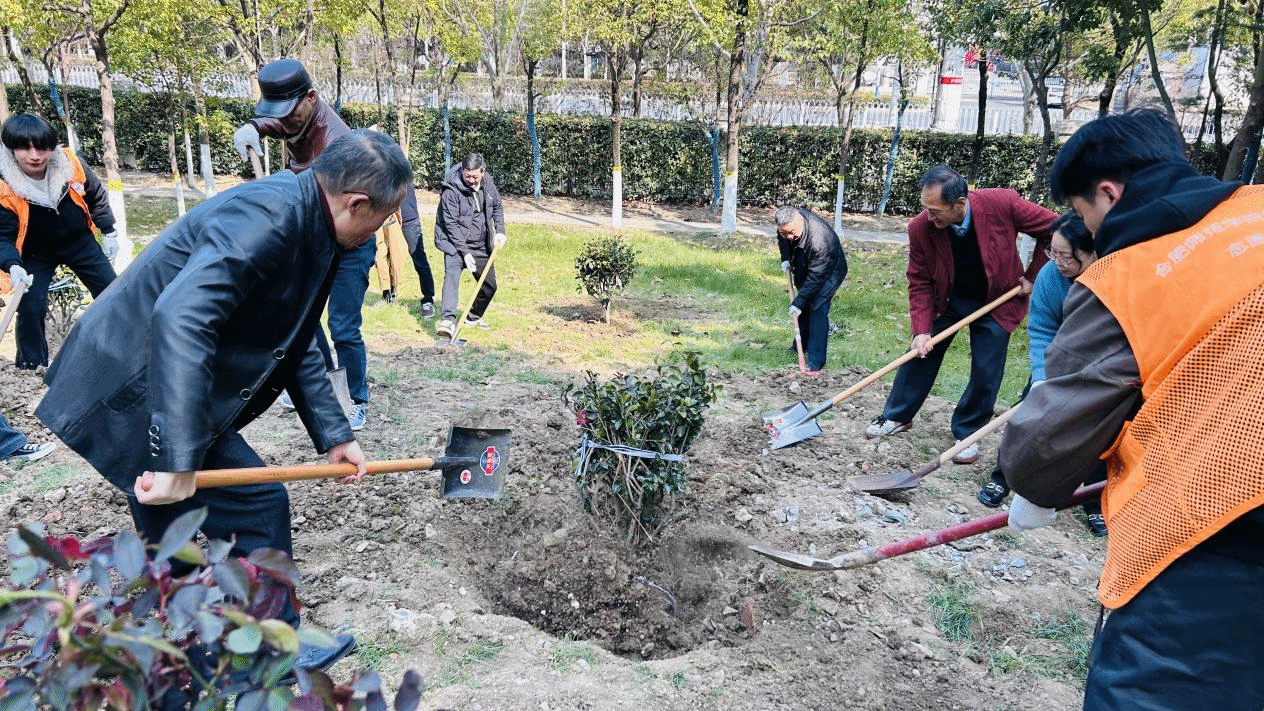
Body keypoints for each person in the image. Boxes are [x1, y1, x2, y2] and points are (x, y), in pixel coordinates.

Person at [36, 130, 411, 681]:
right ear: (355, 203)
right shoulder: (270, 218)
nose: (373, 236)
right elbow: (180, 318)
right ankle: (267, 652)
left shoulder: (308, 219)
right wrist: (177, 457)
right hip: (134, 381)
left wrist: (335, 433)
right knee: (256, 505)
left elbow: (294, 337)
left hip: (149, 377)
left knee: (170, 517)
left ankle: (199, 645)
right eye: (377, 223)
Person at [1000, 108, 1263, 709]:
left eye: (1084, 212)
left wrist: (1034, 487)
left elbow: (1048, 438)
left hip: (1220, 534)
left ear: (1109, 193)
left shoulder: (1131, 276)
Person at [232, 58, 436, 430]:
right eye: (276, 115)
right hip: (317, 237)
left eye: (289, 114)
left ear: (312, 98)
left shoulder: (336, 145)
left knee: (343, 326)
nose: (283, 123)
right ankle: (324, 388)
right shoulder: (297, 117)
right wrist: (254, 126)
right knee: (304, 318)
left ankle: (356, 399)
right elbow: (281, 122)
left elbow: (319, 197)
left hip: (350, 246)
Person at [864, 164, 1056, 465]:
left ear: (960, 203)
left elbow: (1055, 228)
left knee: (986, 369)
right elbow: (919, 279)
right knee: (920, 353)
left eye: (935, 210)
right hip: (949, 300)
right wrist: (921, 330)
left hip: (998, 299)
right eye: (926, 208)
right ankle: (897, 415)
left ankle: (968, 432)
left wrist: (1034, 276)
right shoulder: (921, 228)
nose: (929, 216)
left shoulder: (1001, 203)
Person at [974, 212, 1106, 536]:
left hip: (1104, 368)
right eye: (1052, 253)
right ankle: (1003, 478)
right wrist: (1041, 376)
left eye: (1066, 256)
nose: (1057, 262)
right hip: (1059, 360)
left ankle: (1095, 504)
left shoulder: (1112, 279)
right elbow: (1042, 329)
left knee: (1101, 434)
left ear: (1090, 252)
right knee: (1028, 420)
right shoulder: (1050, 276)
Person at [0, 113, 117, 370]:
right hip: (35, 251)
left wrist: (109, 231)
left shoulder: (70, 163)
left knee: (113, 291)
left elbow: (96, 196)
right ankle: (32, 367)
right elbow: (2, 236)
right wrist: (12, 265)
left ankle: (122, 350)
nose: (35, 156)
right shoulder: (4, 185)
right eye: (25, 148)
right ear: (11, 149)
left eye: (42, 147)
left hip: (79, 241)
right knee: (30, 307)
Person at [434, 153, 506, 337]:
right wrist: (464, 252)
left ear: (483, 172)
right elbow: (451, 224)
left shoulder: (487, 182)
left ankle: (472, 316)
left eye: (475, 176)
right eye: (467, 176)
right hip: (454, 243)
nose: (471, 180)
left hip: (480, 243)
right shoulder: (451, 190)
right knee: (451, 277)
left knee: (489, 287)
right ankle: (448, 321)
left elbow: (497, 206)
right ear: (462, 171)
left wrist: (500, 231)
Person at [774, 205, 848, 374]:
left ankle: (816, 361)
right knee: (804, 306)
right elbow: (783, 239)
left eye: (792, 232)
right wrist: (786, 258)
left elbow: (816, 278)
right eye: (784, 233)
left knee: (817, 307)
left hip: (829, 271)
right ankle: (800, 347)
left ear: (800, 220)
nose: (789, 237)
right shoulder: (786, 227)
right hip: (805, 263)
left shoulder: (819, 240)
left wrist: (798, 302)